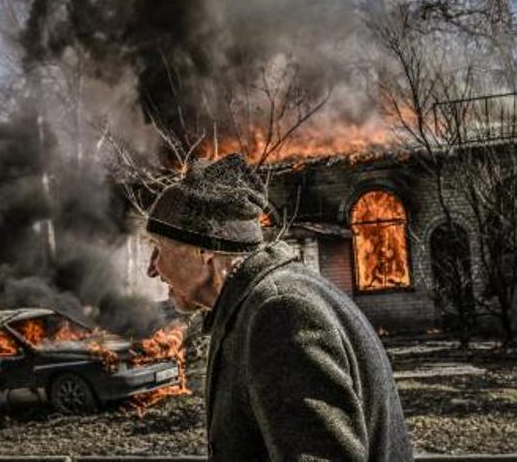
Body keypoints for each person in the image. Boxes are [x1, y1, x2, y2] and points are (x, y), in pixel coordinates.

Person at [145, 153, 412, 461]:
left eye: (158, 248)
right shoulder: (264, 303)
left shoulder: (281, 314)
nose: (153, 269)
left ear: (204, 250)